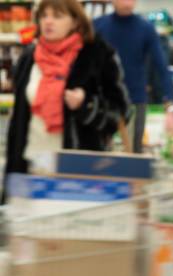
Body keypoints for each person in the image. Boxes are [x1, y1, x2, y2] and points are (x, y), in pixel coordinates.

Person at [2, 0, 130, 203]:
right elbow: (19, 121)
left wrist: (86, 106)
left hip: (76, 175)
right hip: (30, 167)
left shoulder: (97, 56)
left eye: (57, 16)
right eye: (44, 16)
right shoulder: (29, 58)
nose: (48, 22)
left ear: (76, 22)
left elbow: (120, 112)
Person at [94, 0, 173, 152]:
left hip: (135, 102)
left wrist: (170, 106)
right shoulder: (98, 26)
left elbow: (162, 67)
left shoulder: (145, 28)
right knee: (99, 154)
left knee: (132, 155)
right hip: (103, 102)